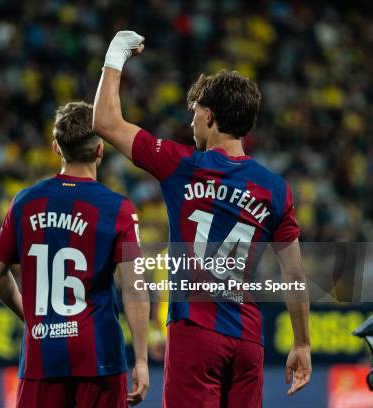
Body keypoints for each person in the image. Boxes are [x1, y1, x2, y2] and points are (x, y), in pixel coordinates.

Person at [93, 31, 311, 407]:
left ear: (209, 117)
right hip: (247, 339)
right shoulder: (275, 188)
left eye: (194, 113)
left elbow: (106, 122)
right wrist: (303, 342)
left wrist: (115, 56)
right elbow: (293, 274)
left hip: (195, 332)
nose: (191, 122)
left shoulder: (181, 165)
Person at [0, 101, 150, 407]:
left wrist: (32, 317)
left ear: (56, 149)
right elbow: (134, 287)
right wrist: (141, 360)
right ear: (100, 150)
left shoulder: (25, 202)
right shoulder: (118, 208)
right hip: (99, 356)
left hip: (42, 356)